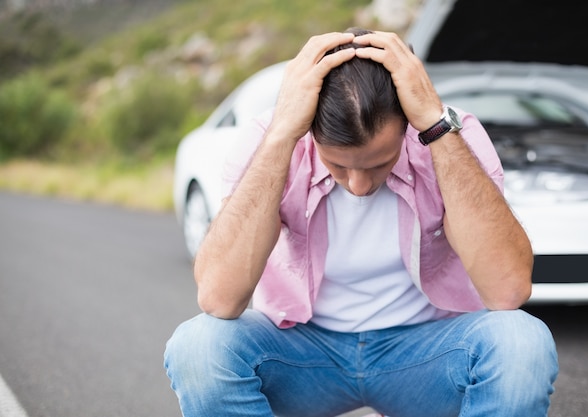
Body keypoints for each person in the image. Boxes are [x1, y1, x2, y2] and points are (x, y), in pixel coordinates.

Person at [164, 28, 558, 417]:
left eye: (378, 163)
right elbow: (219, 298)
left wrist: (437, 127)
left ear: (405, 126)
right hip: (304, 356)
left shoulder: (450, 134)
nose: (358, 185)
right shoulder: (273, 139)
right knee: (198, 346)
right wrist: (281, 134)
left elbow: (507, 290)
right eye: (337, 165)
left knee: (522, 342)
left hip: (426, 356)